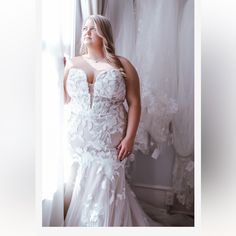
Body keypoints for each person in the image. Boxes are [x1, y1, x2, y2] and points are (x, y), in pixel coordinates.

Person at [63, 14, 160, 226]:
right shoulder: (71, 63)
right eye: (84, 28)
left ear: (104, 34)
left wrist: (130, 138)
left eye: (93, 28)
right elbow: (64, 99)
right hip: (80, 141)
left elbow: (135, 103)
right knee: (82, 188)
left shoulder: (122, 64)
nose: (86, 32)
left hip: (111, 143)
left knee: (107, 189)